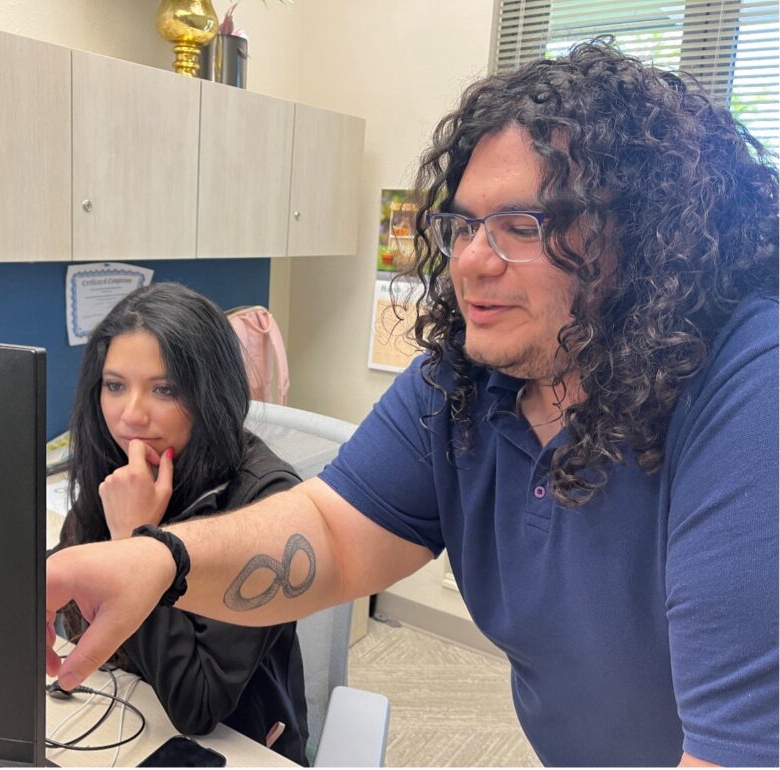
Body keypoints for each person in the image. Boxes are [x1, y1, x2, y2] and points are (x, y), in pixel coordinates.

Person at [46, 40, 779, 767]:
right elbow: (332, 535)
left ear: (646, 234)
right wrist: (159, 559)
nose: (469, 261)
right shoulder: (461, 384)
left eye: (522, 226)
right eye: (462, 227)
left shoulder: (752, 392)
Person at [50, 281, 309, 765]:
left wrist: (135, 542)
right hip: (126, 712)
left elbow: (198, 704)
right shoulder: (124, 467)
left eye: (165, 389)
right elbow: (69, 602)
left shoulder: (265, 500)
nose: (130, 415)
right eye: (115, 385)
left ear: (211, 390)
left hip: (236, 745)